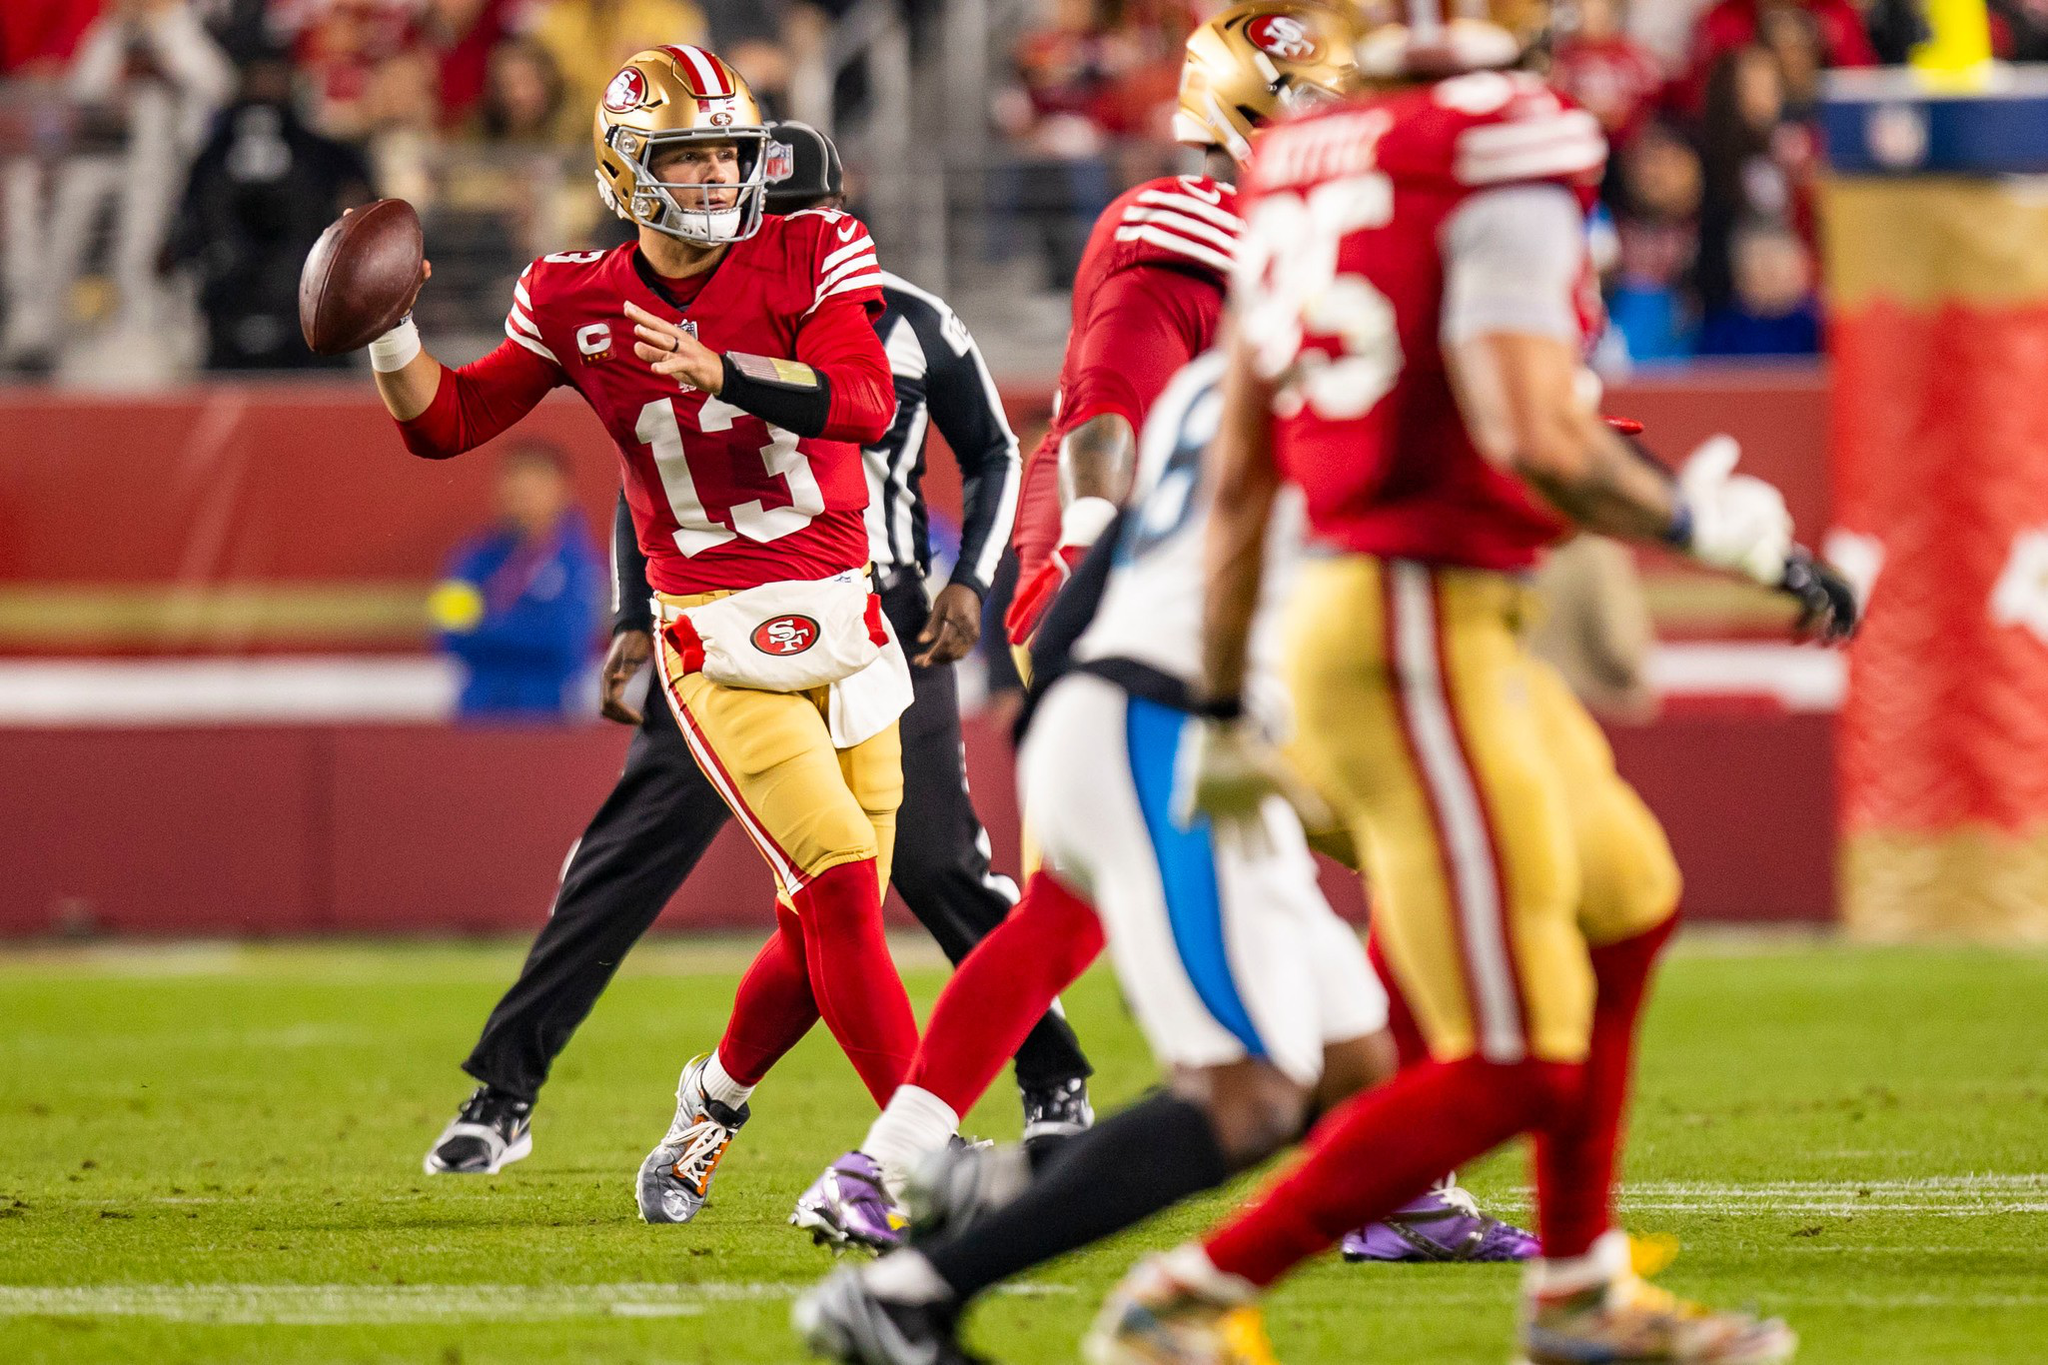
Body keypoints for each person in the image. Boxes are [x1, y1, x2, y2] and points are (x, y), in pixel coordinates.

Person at [1086, 5, 1857, 1363]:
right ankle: (1186, 1295)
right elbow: (1528, 426)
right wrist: (1718, 533)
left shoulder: (1297, 156)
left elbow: (1248, 466)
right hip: (1409, 629)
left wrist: (1214, 696)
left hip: (1385, 613)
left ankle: (1577, 1292)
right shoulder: (1507, 138)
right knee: (1513, 1056)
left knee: (1627, 904)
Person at [792, 1, 1532, 1265]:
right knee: (1419, 831)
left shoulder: (1310, 235)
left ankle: (889, 1162)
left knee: (1067, 909)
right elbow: (1105, 403)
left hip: (1195, 595)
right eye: (1317, 107)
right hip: (1123, 586)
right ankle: (1393, 1177)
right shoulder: (1182, 230)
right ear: (1241, 115)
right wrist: (1086, 547)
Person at [420, 121, 1095, 1192]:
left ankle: (1022, 1078)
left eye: (784, 214)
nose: (759, 238)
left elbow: (989, 445)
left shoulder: (890, 313)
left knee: (905, 873)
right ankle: (507, 1095)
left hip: (878, 621)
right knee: (655, 866)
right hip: (717, 622)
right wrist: (629, 611)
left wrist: (973, 585)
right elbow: (644, 463)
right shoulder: (673, 307)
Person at [362, 46, 921, 1224]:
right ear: (628, 168)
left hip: (847, 615)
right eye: (689, 154)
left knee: (835, 918)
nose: (719, 174)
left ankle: (705, 1110)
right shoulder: (573, 295)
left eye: (728, 148)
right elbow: (450, 421)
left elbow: (863, 402)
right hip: (715, 628)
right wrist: (389, 336)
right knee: (835, 887)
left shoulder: (813, 244)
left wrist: (724, 367)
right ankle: (921, 1154)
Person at [431, 441, 603, 718]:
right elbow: (450, 633)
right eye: (513, 487)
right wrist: (527, 629)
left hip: (549, 717)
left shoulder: (580, 563)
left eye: (531, 488)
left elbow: (566, 642)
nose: (519, 497)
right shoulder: (473, 558)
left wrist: (488, 625)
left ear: (561, 491)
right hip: (477, 713)